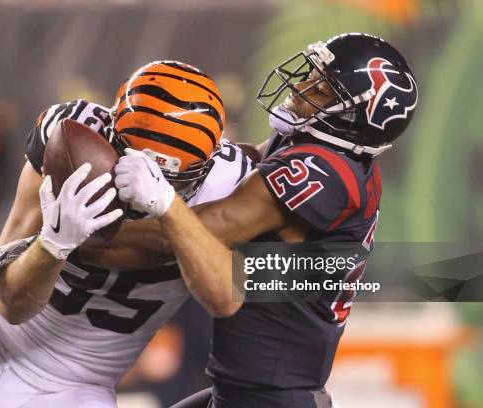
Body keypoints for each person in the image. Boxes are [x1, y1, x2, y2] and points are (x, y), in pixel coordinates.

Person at [0, 61, 253, 407]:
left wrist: (168, 206)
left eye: (168, 177)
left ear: (208, 161)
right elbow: (10, 303)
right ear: (113, 134)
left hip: (69, 389)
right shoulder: (72, 137)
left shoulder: (233, 184)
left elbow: (231, 293)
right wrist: (53, 244)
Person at [113, 33, 419, 407]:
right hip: (244, 390)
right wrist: (191, 147)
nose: (303, 86)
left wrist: (73, 243)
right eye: (313, 75)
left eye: (322, 89)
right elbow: (249, 164)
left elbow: (196, 229)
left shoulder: (322, 170)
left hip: (272, 398)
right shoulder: (323, 152)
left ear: (353, 119)